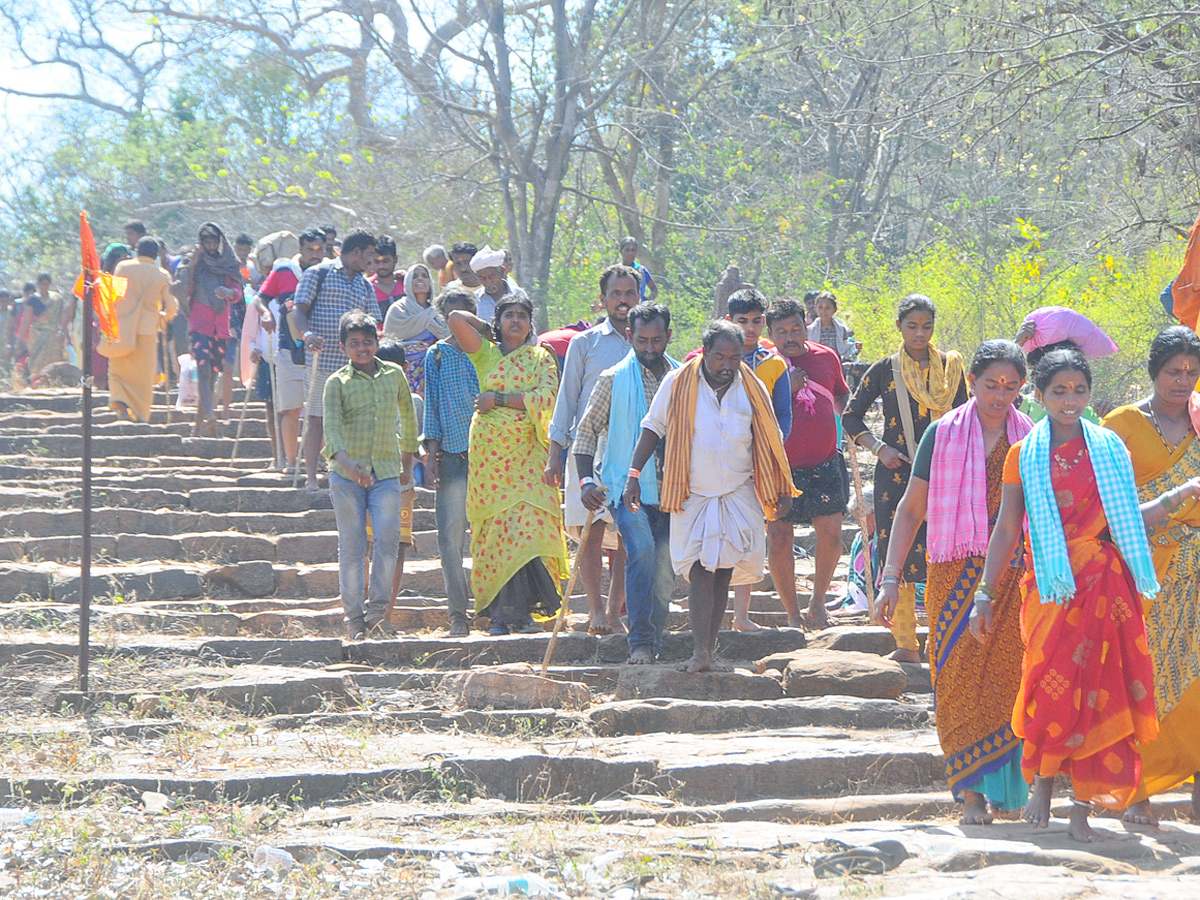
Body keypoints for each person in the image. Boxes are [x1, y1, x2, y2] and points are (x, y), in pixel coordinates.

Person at [980, 347, 1199, 842]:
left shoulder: (1108, 449)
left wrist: (1178, 497)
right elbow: (1007, 527)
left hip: (1104, 586)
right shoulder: (1023, 455)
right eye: (1059, 391)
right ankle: (1042, 786)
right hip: (1051, 588)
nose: (1070, 399)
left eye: (1079, 390)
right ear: (1038, 396)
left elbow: (1127, 521)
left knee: (1103, 692)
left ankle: (1081, 804)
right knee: (1047, 682)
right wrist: (984, 593)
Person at [878, 340, 1033, 825]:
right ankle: (970, 795)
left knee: (1011, 679)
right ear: (972, 383)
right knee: (957, 678)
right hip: (952, 575)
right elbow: (911, 509)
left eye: (1010, 387)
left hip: (1013, 576)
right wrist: (889, 577)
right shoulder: (942, 435)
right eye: (990, 385)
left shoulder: (1032, 438)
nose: (999, 395)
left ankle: (1009, 792)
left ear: (1023, 388)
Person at [625, 320, 796, 673]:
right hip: (692, 492)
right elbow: (652, 428)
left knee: (722, 571)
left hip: (738, 490)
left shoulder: (752, 387)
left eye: (734, 357)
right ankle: (699, 652)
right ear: (705, 353)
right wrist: (633, 476)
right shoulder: (678, 381)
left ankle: (708, 651)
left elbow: (770, 438)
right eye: (719, 356)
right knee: (702, 568)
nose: (727, 364)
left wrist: (782, 487)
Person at [1103, 326, 1200, 825]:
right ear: (1152, 371)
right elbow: (1103, 502)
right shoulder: (1120, 424)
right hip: (1142, 569)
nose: (1182, 381)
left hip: (1198, 568)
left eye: (1191, 371)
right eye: (1172, 372)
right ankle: (1135, 791)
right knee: (1141, 676)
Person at [843, 294, 968, 661]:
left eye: (926, 327)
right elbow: (851, 416)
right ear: (899, 326)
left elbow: (964, 418)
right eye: (912, 327)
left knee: (945, 553)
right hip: (897, 473)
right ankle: (906, 644)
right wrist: (879, 448)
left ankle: (944, 637)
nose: (920, 334)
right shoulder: (885, 369)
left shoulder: (950, 368)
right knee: (900, 554)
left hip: (946, 473)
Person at [447, 294, 569, 635]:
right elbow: (455, 318)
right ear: (498, 322)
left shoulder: (540, 358)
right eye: (508, 316)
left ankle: (526, 613)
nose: (516, 321)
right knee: (498, 533)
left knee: (528, 529)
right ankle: (500, 616)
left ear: (531, 324)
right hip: (491, 460)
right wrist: (485, 328)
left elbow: (548, 398)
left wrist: (498, 399)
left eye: (522, 316)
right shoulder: (485, 353)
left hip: (529, 457)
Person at [575, 302, 678, 664]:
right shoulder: (612, 378)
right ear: (630, 337)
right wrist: (587, 482)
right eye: (643, 341)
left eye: (657, 340)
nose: (650, 348)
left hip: (674, 490)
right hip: (624, 488)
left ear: (669, 336)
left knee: (665, 568)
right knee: (642, 552)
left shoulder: (682, 379)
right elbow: (586, 433)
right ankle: (640, 643)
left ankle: (655, 638)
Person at [546, 265, 637, 635]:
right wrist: (556, 453)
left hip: (629, 450)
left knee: (628, 533)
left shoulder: (646, 340)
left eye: (629, 293)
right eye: (615, 294)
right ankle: (595, 611)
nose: (623, 300)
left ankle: (616, 612)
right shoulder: (585, 344)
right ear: (603, 300)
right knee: (591, 530)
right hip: (586, 449)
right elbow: (566, 400)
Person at [322, 310, 418, 639]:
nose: (362, 349)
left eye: (367, 342)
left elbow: (407, 415)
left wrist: (408, 459)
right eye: (354, 344)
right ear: (343, 348)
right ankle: (353, 619)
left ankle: (378, 613)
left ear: (377, 343)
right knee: (352, 546)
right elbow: (331, 429)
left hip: (388, 472)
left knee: (388, 541)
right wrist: (348, 465)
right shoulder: (337, 383)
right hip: (347, 477)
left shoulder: (394, 375)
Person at [706, 288, 792, 631]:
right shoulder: (707, 361)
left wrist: (772, 445)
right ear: (729, 322)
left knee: (750, 534)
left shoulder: (773, 364)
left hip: (756, 464)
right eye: (743, 321)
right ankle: (709, 607)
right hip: (712, 460)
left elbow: (783, 414)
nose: (751, 328)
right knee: (713, 532)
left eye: (758, 321)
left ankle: (741, 614)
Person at [766, 297, 851, 631]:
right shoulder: (765, 364)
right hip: (779, 466)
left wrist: (844, 415)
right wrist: (788, 389)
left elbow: (841, 393)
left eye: (796, 328)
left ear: (807, 325)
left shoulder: (826, 357)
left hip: (825, 460)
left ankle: (817, 604)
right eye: (782, 331)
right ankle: (791, 613)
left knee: (831, 536)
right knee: (779, 538)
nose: (790, 336)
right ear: (770, 333)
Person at [290, 229, 377, 490]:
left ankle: (341, 475)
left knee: (348, 420)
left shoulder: (364, 284)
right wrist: (307, 335)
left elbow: (374, 321)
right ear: (356, 252)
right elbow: (298, 310)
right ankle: (311, 478)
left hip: (352, 365)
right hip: (321, 360)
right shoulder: (318, 273)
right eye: (369, 255)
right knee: (316, 418)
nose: (371, 261)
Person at [423, 288, 482, 636]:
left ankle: (493, 609)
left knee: (490, 535)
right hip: (453, 455)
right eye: (451, 315)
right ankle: (458, 614)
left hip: (489, 457)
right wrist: (431, 454)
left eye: (464, 315)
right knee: (450, 538)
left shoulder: (486, 352)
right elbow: (431, 405)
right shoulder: (438, 355)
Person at [251, 228, 327, 474]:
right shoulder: (284, 271)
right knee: (290, 408)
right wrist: (266, 313)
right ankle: (291, 463)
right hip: (288, 347)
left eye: (319, 249)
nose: (314, 254)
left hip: (323, 350)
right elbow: (259, 299)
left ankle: (322, 461)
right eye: (309, 249)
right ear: (301, 250)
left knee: (322, 410)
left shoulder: (330, 272)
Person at [173, 223, 244, 437]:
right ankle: (211, 417)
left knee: (213, 375)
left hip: (220, 327)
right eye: (207, 242)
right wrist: (194, 259)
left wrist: (229, 293)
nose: (211, 246)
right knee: (203, 371)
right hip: (200, 325)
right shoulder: (193, 264)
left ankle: (198, 426)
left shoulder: (229, 264)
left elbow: (238, 291)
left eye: (214, 242)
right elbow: (182, 285)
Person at [105, 237, 178, 422]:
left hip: (121, 328)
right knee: (143, 377)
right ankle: (139, 414)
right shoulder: (161, 275)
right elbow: (171, 308)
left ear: (137, 250)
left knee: (117, 370)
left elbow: (113, 297)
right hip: (147, 331)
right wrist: (161, 317)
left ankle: (120, 406)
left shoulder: (123, 268)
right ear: (156, 254)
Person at [382, 261, 448, 396]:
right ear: (407, 282)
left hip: (433, 371)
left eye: (424, 276)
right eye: (415, 276)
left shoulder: (437, 312)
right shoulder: (398, 310)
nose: (420, 279)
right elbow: (388, 342)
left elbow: (446, 337)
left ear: (430, 282)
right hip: (404, 372)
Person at [19, 273, 70, 382]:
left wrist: (63, 334)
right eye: (42, 284)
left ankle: (53, 382)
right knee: (37, 360)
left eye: (47, 284)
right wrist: (21, 337)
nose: (44, 286)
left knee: (54, 361)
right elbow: (26, 319)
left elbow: (61, 318)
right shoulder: (32, 299)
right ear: (38, 284)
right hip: (37, 335)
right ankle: (37, 382)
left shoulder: (56, 299)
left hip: (53, 335)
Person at [470, 245, 526, 323]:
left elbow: (529, 327)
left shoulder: (519, 294)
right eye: (483, 278)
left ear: (502, 272)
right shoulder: (474, 301)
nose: (488, 282)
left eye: (492, 276)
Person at [806, 291, 859, 362]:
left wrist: (855, 346)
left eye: (827, 308)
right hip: (817, 363)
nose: (823, 311)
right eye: (820, 307)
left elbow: (844, 348)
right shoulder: (810, 330)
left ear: (835, 310)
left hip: (836, 363)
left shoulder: (840, 329)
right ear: (816, 308)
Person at [369, 235, 406, 320]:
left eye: (386, 261)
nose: (381, 266)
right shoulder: (367, 287)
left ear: (395, 259)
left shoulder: (406, 283)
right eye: (377, 262)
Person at [618, 237, 658, 302]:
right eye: (627, 250)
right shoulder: (615, 271)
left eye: (633, 250)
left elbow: (654, 288)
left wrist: (648, 300)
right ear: (621, 251)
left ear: (636, 252)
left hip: (638, 309)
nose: (630, 253)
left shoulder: (641, 270)